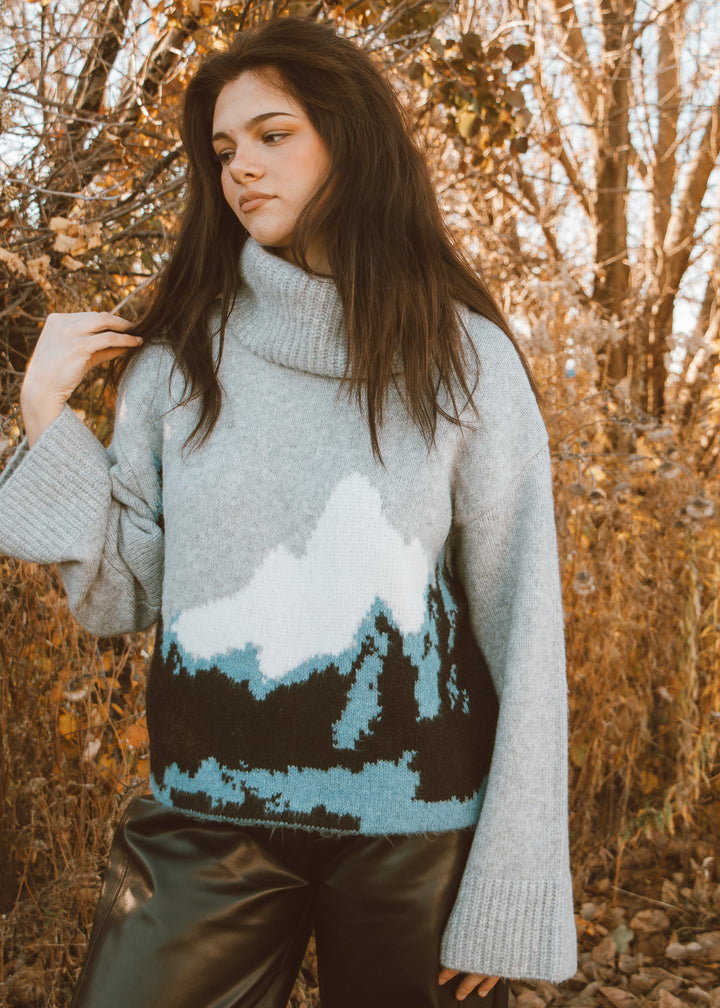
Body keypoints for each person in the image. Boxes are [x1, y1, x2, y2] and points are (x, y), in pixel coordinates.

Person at [0, 16, 577, 1008]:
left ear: (348, 140)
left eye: (273, 135)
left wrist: (510, 882)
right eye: (224, 149)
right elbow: (116, 600)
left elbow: (524, 631)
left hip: (415, 831)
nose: (240, 169)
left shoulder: (462, 359)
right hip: (205, 826)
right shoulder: (178, 360)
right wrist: (45, 417)